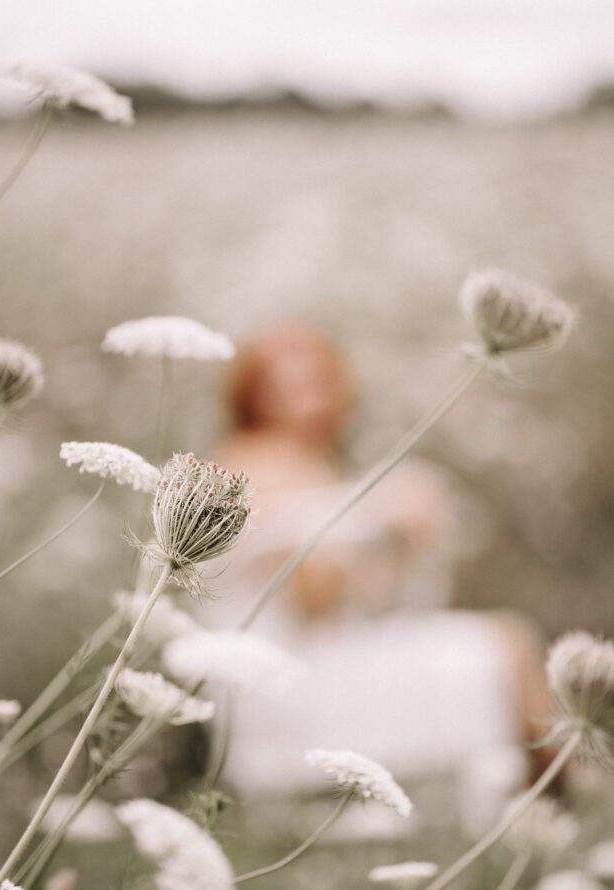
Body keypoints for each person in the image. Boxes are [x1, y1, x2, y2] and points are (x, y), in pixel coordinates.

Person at [207, 323, 558, 796]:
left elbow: (351, 599)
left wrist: (398, 542)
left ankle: (548, 798)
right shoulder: (269, 463)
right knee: (504, 644)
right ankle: (564, 794)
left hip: (289, 681)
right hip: (297, 692)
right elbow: (316, 602)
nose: (313, 400)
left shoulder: (288, 462)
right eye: (288, 388)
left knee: (500, 640)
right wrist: (387, 519)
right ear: (254, 397)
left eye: (320, 382)